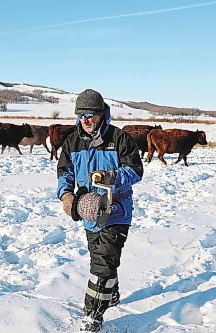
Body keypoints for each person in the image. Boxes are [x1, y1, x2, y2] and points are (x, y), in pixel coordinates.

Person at [57, 89, 143, 332]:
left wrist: (111, 176)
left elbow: (136, 171)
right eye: (81, 115)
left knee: (102, 265)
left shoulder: (119, 138)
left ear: (101, 114)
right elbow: (65, 172)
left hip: (117, 212)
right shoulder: (72, 141)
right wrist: (66, 196)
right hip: (89, 213)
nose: (85, 120)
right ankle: (111, 293)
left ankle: (92, 315)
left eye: (90, 115)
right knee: (102, 259)